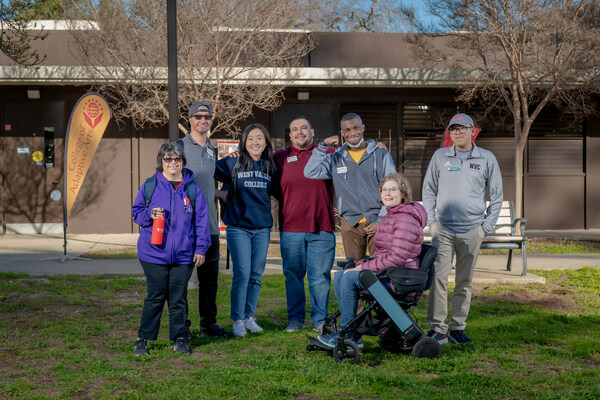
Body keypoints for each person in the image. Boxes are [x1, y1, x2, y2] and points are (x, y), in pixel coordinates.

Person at [317, 172, 427, 348]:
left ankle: (350, 334)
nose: (388, 193)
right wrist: (361, 265)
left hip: (401, 277)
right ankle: (355, 333)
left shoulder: (405, 220)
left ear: (403, 193)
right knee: (341, 275)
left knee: (350, 277)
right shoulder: (390, 217)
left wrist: (361, 269)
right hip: (390, 272)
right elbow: (382, 254)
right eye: (384, 189)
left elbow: (397, 258)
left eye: (393, 189)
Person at [422, 113, 503, 345]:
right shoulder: (440, 156)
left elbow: (496, 196)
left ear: (472, 131)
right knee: (437, 278)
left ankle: (458, 328)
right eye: (453, 129)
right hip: (443, 230)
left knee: (464, 281)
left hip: (472, 230)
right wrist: (431, 223)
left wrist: (485, 228)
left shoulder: (486, 158)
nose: (457, 133)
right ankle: (438, 328)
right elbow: (428, 190)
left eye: (462, 128)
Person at [132, 142, 211, 356]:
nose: (173, 163)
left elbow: (201, 222)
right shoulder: (150, 185)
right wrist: (150, 214)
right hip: (153, 254)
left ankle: (179, 337)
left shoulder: (192, 188)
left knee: (178, 298)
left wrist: (201, 249)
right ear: (161, 162)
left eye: (177, 159)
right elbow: (136, 213)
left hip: (184, 255)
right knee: (155, 296)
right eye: (168, 159)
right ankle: (143, 339)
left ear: (183, 161)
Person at [273, 116, 338, 334]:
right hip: (291, 229)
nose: (300, 132)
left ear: (312, 131)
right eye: (295, 129)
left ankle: (320, 320)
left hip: (323, 227)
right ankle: (295, 319)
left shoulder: (328, 154)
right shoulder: (279, 158)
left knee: (319, 277)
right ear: (289, 135)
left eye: (304, 128)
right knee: (293, 275)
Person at [304, 113, 396, 261]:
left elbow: (392, 190)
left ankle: (377, 286)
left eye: (356, 128)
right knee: (354, 271)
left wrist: (381, 221)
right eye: (347, 130)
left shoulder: (382, 155)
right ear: (342, 133)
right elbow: (310, 172)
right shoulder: (335, 158)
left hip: (378, 221)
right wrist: (322, 147)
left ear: (363, 128)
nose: (352, 133)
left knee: (380, 271)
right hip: (350, 224)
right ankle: (359, 285)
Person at [214, 123, 277, 337]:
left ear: (266, 141)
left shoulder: (271, 166)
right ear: (243, 142)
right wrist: (217, 193)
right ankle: (237, 320)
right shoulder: (232, 163)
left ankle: (250, 317)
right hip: (238, 227)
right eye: (250, 138)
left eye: (259, 138)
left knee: (256, 275)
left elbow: (282, 190)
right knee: (242, 274)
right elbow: (204, 173)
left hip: (262, 229)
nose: (255, 142)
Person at [179, 101, 231, 338]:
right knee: (180, 281)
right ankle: (182, 326)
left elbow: (205, 181)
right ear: (189, 119)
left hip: (209, 226)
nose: (203, 120)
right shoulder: (178, 148)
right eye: (198, 117)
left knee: (209, 283)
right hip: (185, 228)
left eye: (207, 117)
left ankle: (208, 323)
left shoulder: (211, 149)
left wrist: (218, 193)